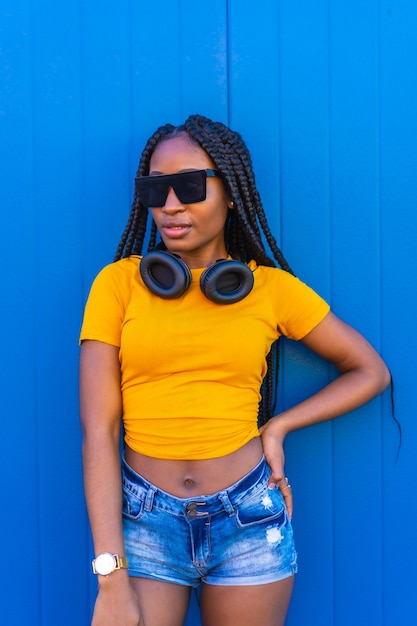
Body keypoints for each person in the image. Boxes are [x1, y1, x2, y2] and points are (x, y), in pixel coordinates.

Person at [79, 114, 390, 626]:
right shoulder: (118, 286)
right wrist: (110, 576)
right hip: (145, 523)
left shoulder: (271, 291)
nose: (170, 205)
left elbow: (369, 371)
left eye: (189, 186)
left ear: (230, 193)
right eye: (155, 189)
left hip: (249, 518)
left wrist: (280, 426)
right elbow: (98, 430)